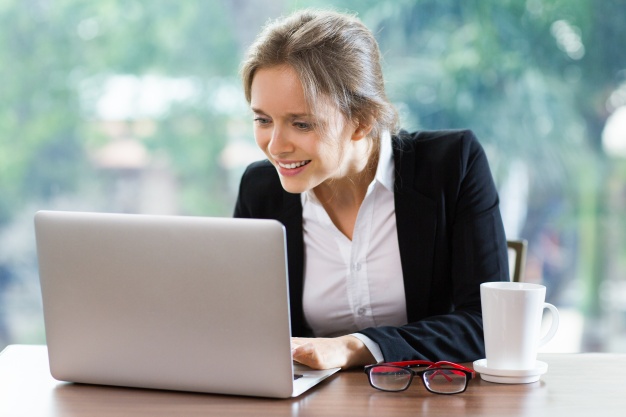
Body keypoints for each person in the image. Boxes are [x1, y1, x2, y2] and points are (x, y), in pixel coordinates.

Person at [234, 9, 509, 370]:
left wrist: (356, 347)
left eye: (301, 124)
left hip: (426, 398)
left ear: (362, 120)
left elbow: (488, 324)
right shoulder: (260, 189)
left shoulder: (452, 166)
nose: (275, 146)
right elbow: (242, 325)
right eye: (263, 120)